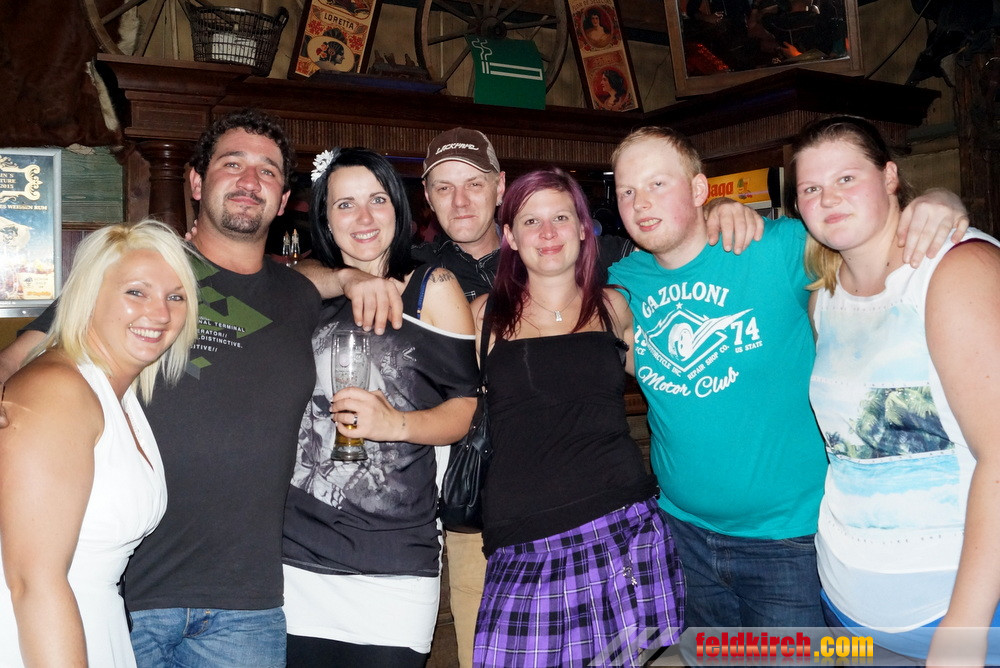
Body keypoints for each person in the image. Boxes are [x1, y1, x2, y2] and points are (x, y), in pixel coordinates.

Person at [298, 126, 762, 668]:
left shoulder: (613, 287)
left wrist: (717, 210)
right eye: (444, 187)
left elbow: (673, 265)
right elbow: (297, 275)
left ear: (501, 191)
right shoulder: (421, 272)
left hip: (619, 517)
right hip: (494, 522)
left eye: (474, 184)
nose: (460, 200)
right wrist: (349, 277)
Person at [0, 109, 340, 666]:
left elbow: (307, 279)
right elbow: (22, 359)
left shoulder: (299, 296)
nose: (250, 180)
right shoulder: (146, 274)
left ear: (283, 201)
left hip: (246, 603)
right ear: (197, 182)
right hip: (128, 593)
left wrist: (348, 275)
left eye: (268, 171)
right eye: (232, 164)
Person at [607, 125, 970, 629]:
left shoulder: (777, 248)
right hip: (683, 533)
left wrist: (939, 200)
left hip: (789, 543)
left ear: (698, 188)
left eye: (657, 184)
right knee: (715, 661)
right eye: (627, 191)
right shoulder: (626, 281)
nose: (641, 202)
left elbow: (869, 234)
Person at [789, 116, 1000, 667]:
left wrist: (964, 633)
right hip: (845, 602)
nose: (827, 198)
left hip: (954, 611)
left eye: (846, 178)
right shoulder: (824, 298)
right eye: (810, 188)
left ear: (889, 177)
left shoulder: (956, 270)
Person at [471, 169, 683, 666]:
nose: (547, 233)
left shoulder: (614, 306)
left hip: (623, 525)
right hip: (523, 538)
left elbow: (675, 380)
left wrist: (719, 215)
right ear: (509, 236)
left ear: (585, 228)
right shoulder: (482, 315)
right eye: (531, 221)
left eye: (561, 218)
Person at [282, 147, 479, 666]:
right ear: (324, 217)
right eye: (344, 204)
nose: (364, 217)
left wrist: (397, 424)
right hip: (296, 555)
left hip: (394, 559)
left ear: (398, 207)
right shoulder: (303, 295)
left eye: (377, 200)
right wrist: (347, 278)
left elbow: (466, 408)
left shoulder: (432, 288)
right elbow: (275, 278)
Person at [0, 220, 199, 666]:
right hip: (38, 636)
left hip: (93, 623)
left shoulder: (118, 394)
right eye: (136, 292)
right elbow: (32, 583)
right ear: (88, 297)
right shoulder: (57, 390)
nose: (160, 313)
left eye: (175, 296)